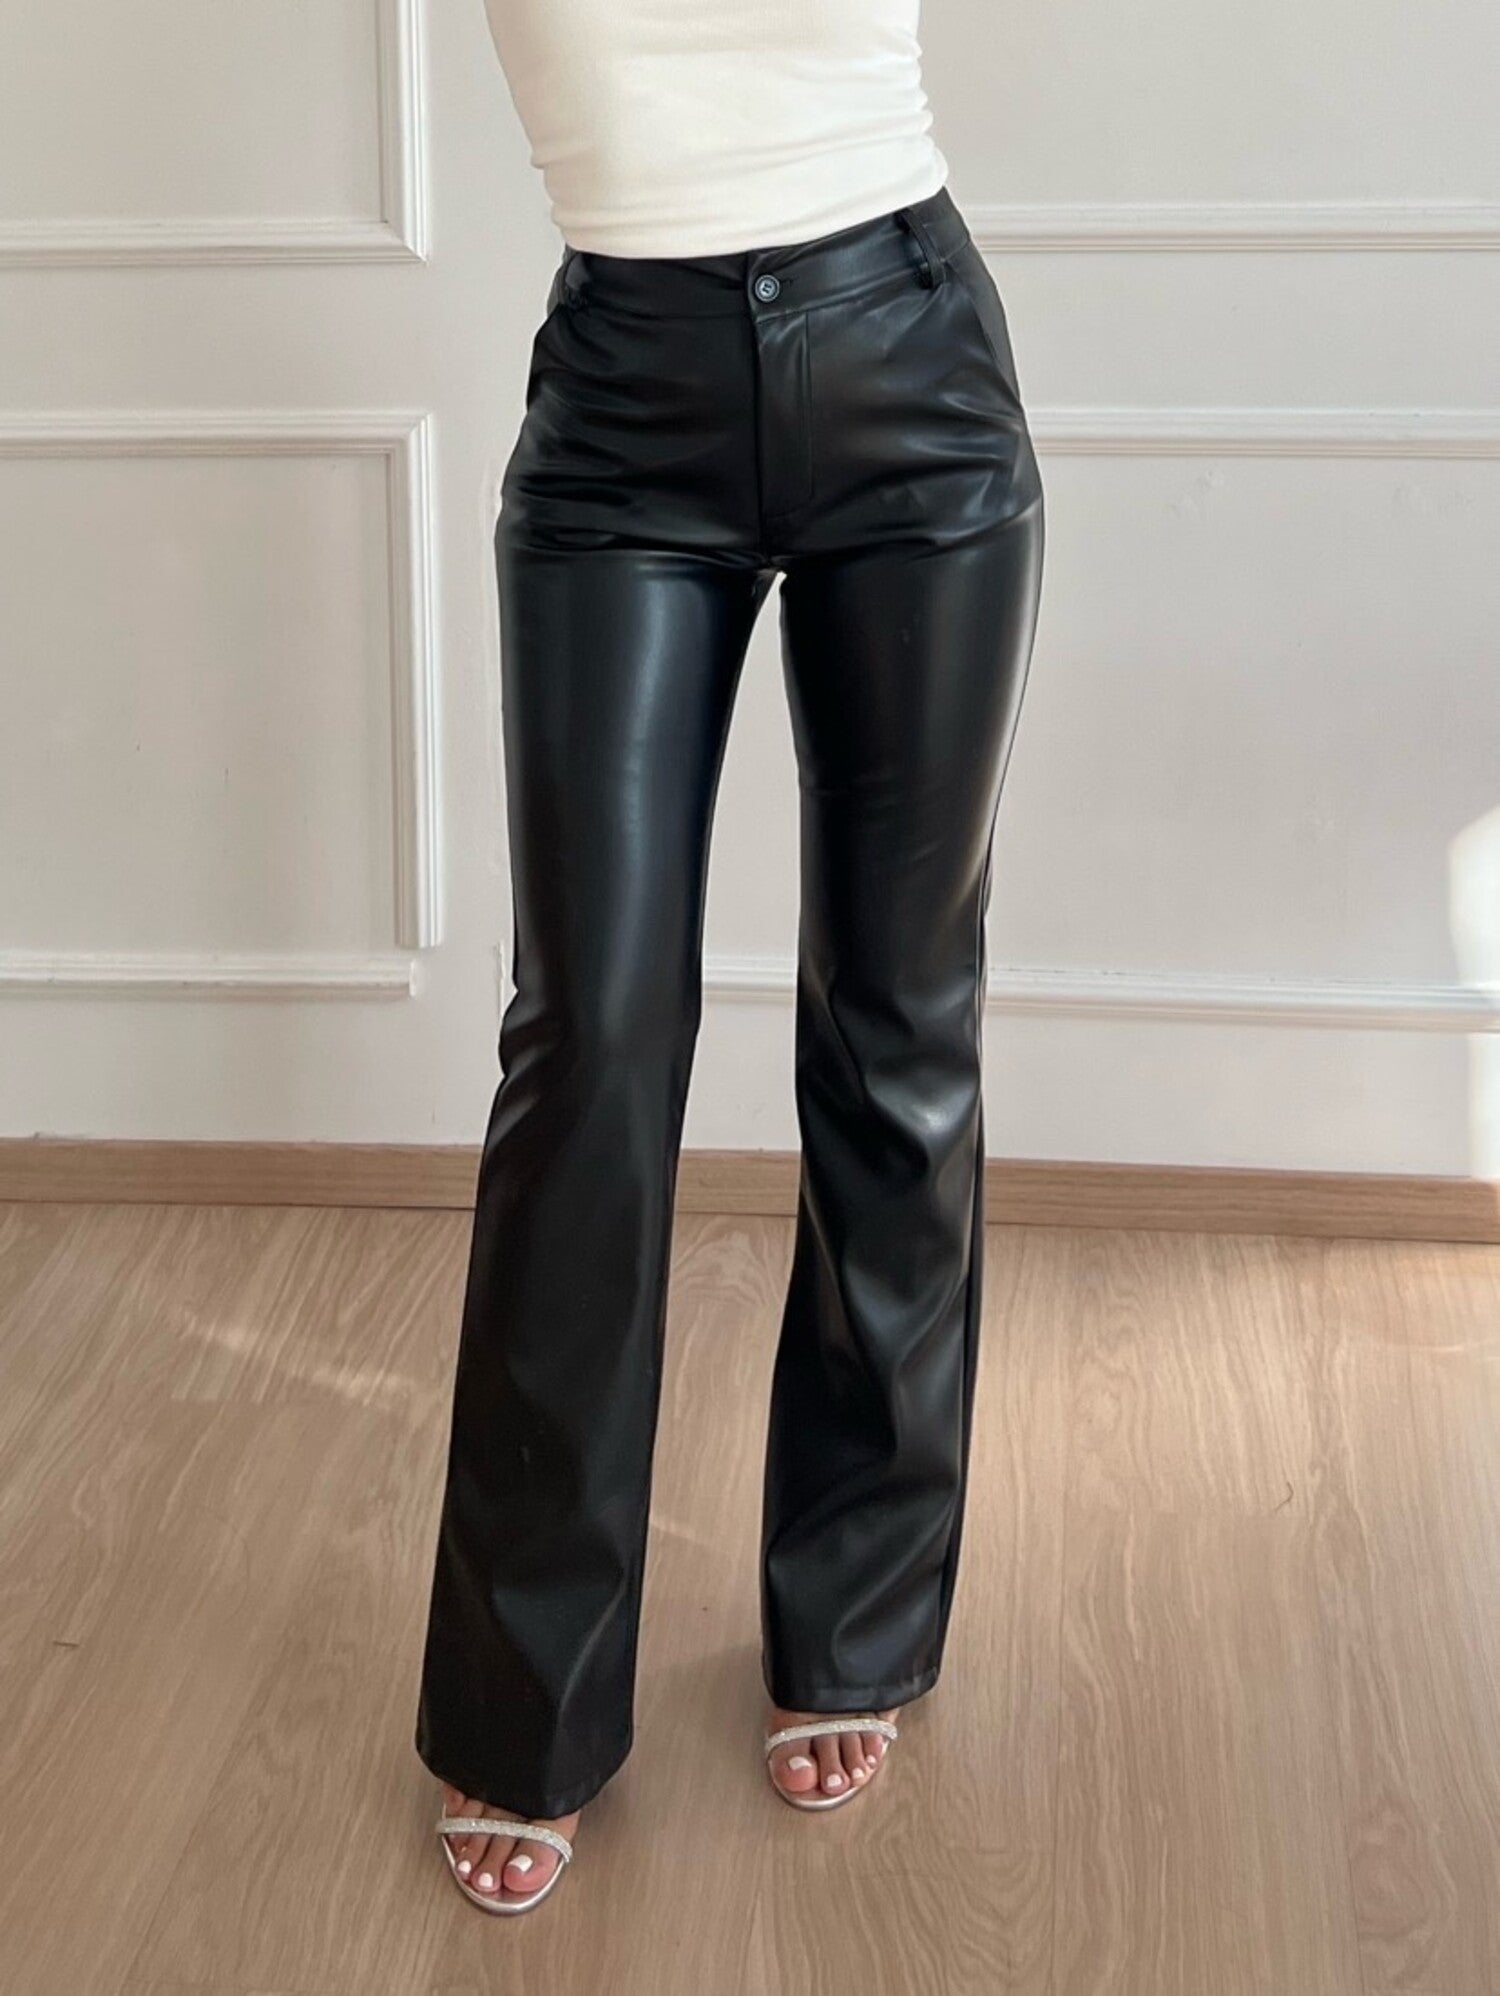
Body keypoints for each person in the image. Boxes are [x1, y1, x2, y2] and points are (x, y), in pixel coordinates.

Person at [415, 0, 1045, 1915]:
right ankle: (528, 1701)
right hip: (627, 416)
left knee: (897, 1021)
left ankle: (853, 1617)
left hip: (912, 374)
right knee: (591, 1045)